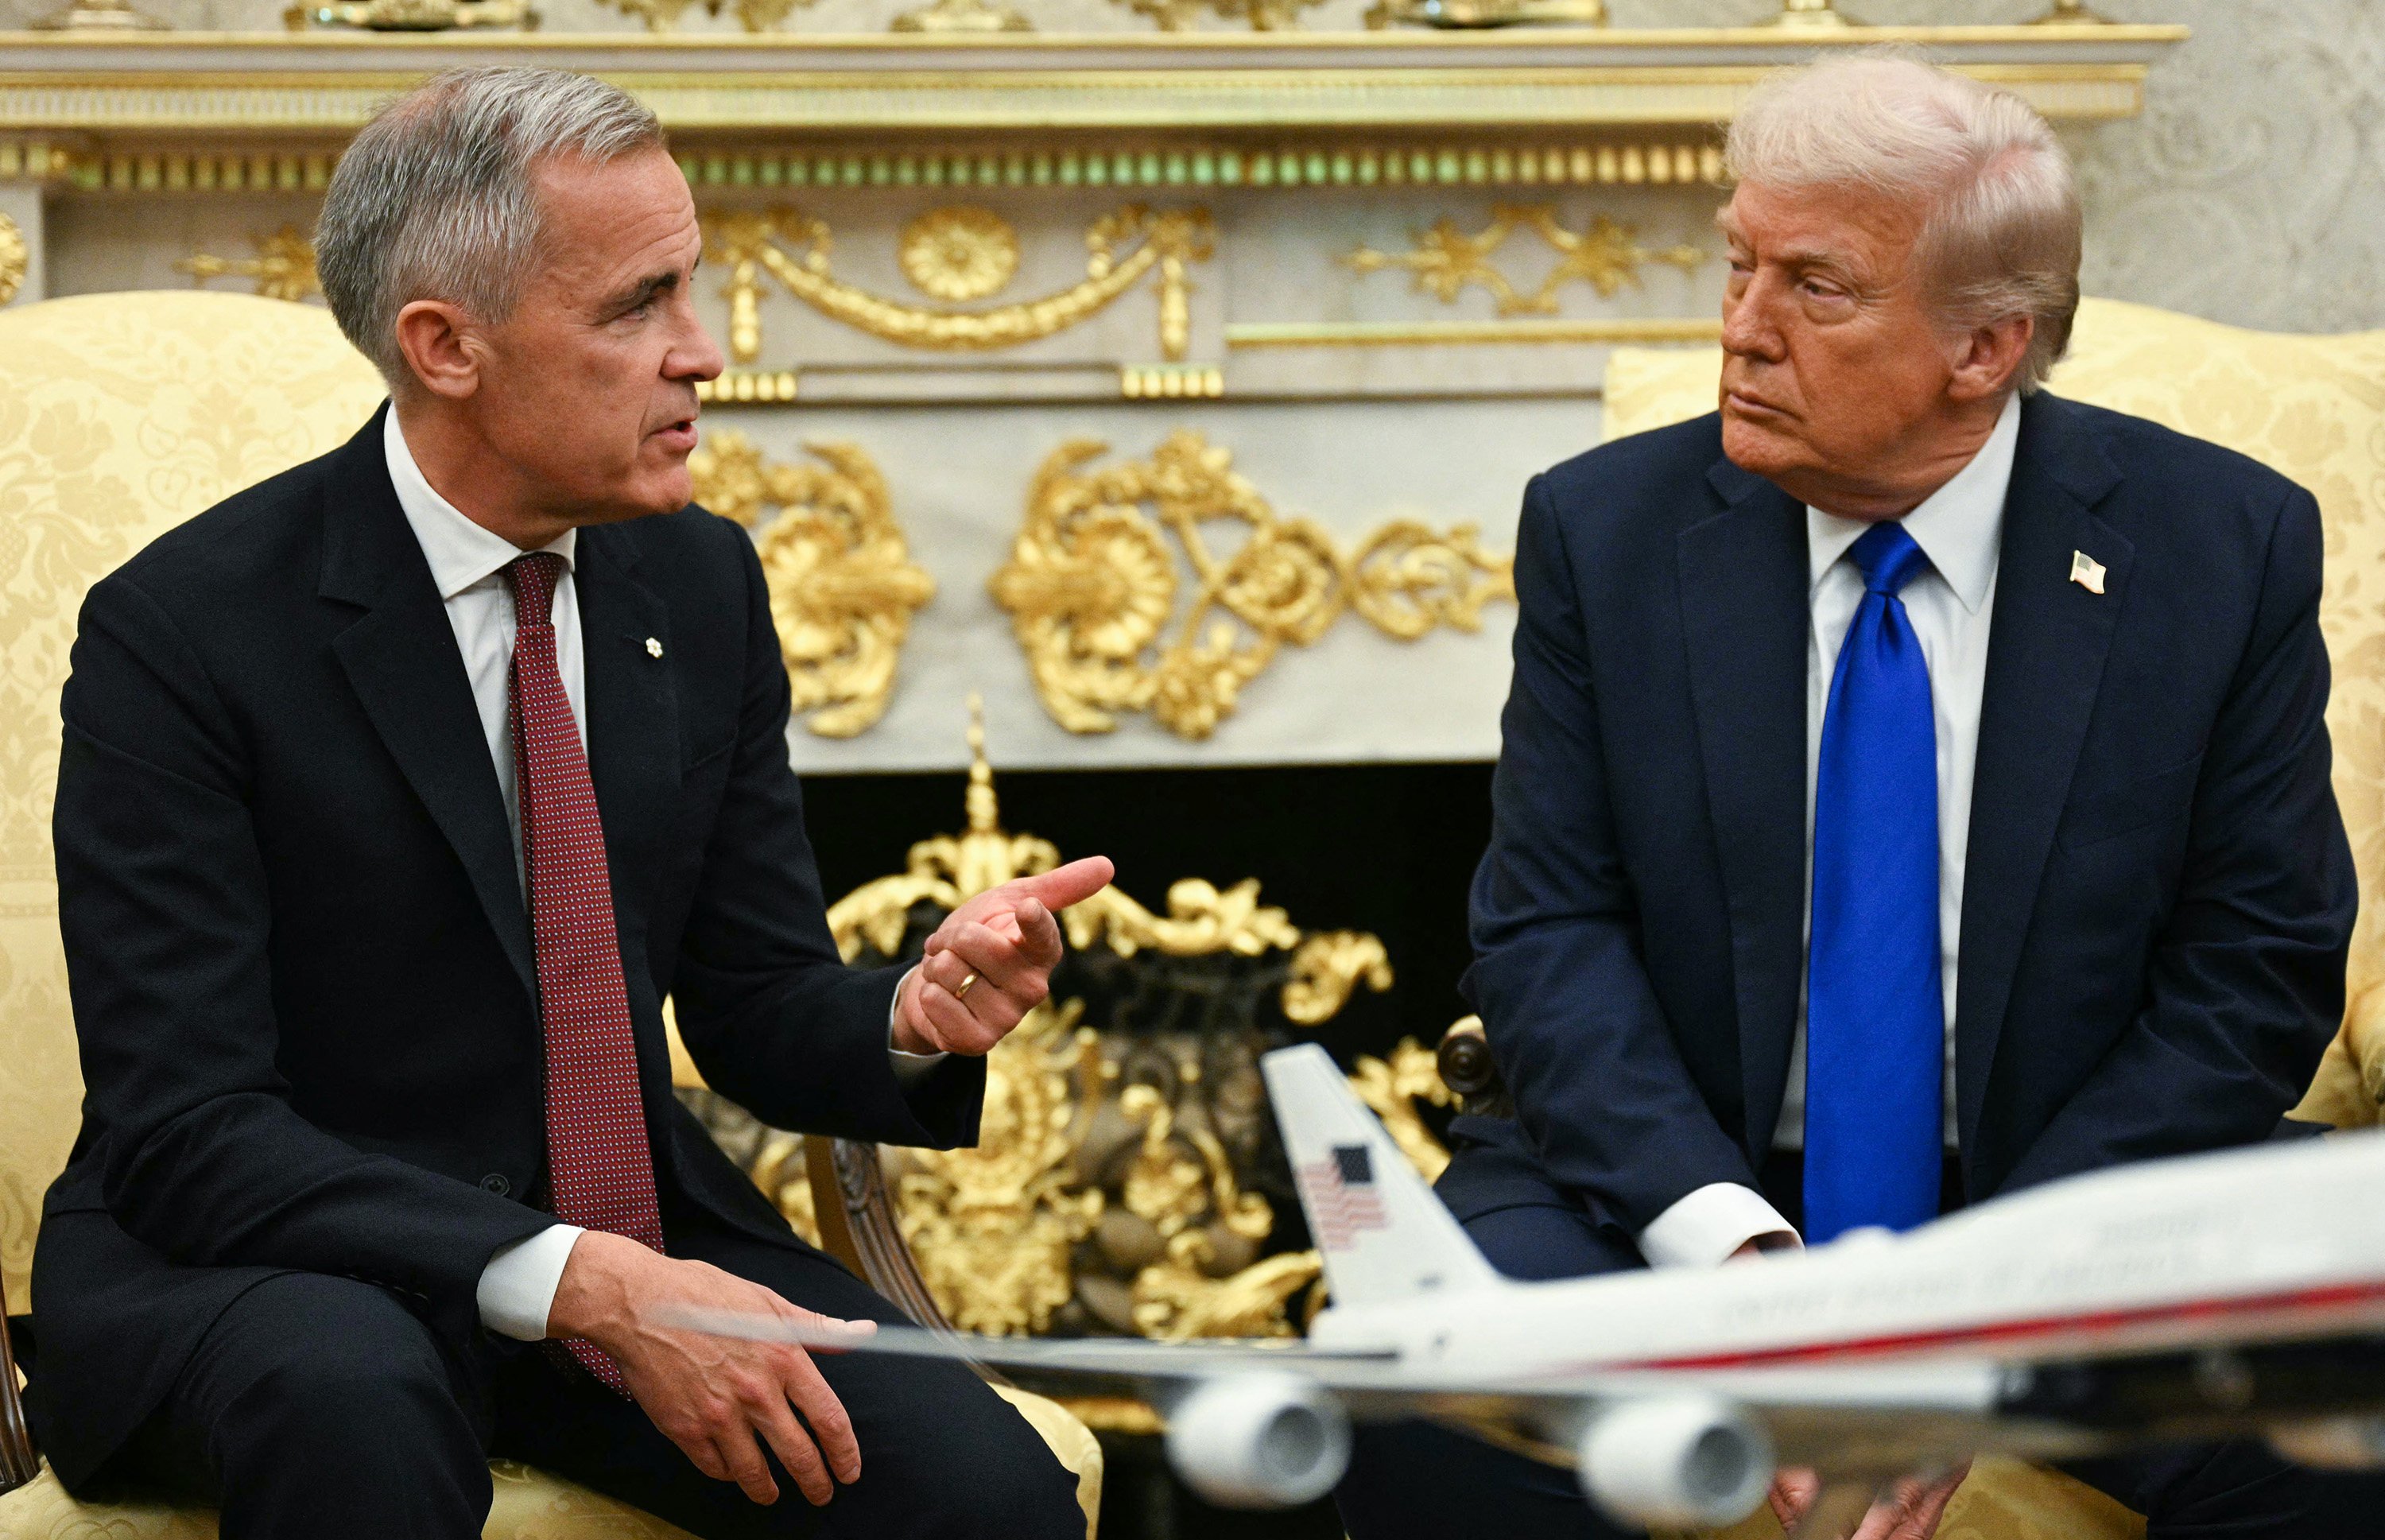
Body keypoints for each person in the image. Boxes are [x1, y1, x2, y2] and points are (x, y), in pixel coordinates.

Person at [25, 66, 1099, 1540]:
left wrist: (913, 1022)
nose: (704, 354)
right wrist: (580, 1278)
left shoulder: (700, 581)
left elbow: (755, 998)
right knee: (355, 1408)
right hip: (269, 1265)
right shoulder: (186, 632)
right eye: (636, 306)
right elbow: (191, 1127)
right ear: (445, 346)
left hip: (634, 1233)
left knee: (985, 1498)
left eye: (692, 290)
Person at [1336, 52, 2380, 1540]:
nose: (1741, 329)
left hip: (2074, 1200)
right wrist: (1745, 1267)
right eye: (1739, 264)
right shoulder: (1608, 530)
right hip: (1673, 1188)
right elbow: (1548, 934)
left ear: (1988, 346)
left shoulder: (2219, 548)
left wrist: (1983, 1301)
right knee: (1433, 1398)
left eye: (1814, 288)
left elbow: (2256, 970)